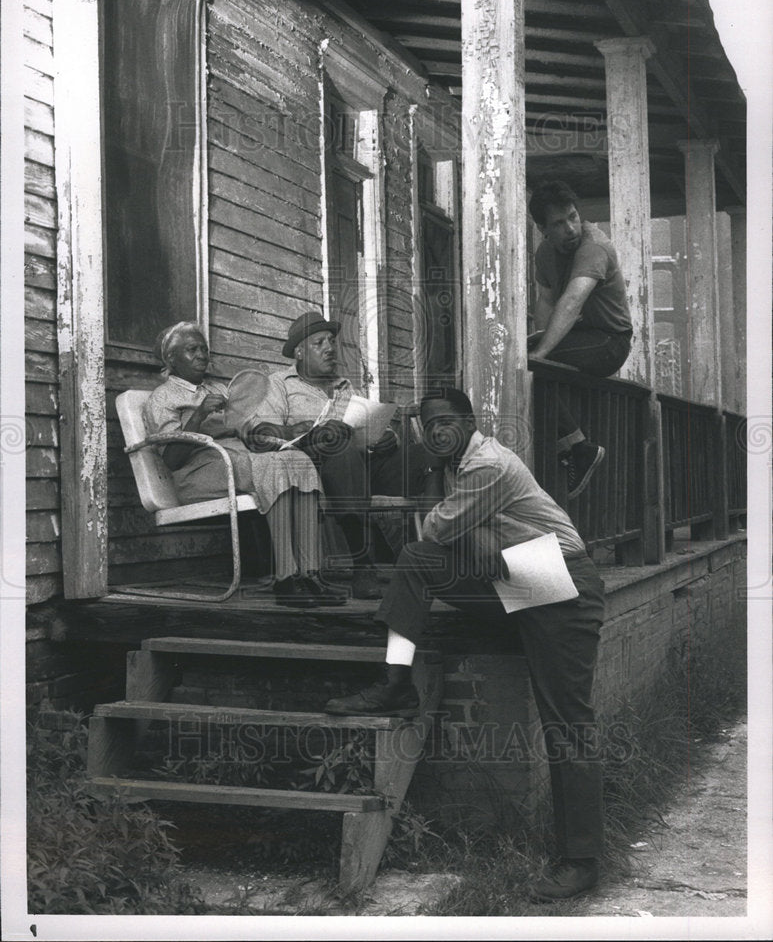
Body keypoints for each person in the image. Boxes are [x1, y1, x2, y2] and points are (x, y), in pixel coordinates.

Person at [324, 387, 607, 902]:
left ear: (469, 422)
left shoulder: (486, 466)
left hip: (562, 583)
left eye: (445, 423)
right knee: (417, 561)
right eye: (427, 425)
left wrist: (457, 526)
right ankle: (395, 683)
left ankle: (582, 860)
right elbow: (443, 540)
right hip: (521, 574)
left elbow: (437, 525)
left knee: (568, 720)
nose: (435, 433)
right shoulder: (456, 465)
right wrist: (462, 531)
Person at [143, 321, 346, 608]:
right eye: (192, 350)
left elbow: (248, 428)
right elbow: (172, 460)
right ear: (171, 359)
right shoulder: (162, 398)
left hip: (236, 462)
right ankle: (286, 578)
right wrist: (199, 415)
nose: (202, 355)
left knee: (298, 460)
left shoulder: (218, 389)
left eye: (204, 349)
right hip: (198, 474)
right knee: (273, 468)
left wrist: (281, 433)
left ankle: (310, 575)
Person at [239, 311, 430, 600]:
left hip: (362, 462)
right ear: (300, 352)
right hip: (313, 467)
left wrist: (387, 437)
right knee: (339, 449)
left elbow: (365, 424)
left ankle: (440, 554)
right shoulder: (280, 384)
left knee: (425, 455)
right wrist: (303, 430)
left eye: (331, 341)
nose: (330, 348)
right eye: (319, 343)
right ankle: (363, 567)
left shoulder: (344, 386)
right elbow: (263, 433)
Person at [527, 180, 633, 499]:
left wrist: (542, 354)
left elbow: (572, 301)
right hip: (578, 339)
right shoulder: (545, 254)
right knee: (524, 360)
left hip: (609, 342)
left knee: (533, 364)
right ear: (543, 229)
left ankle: (577, 447)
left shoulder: (594, 246)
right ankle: (565, 448)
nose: (570, 228)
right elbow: (546, 301)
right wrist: (539, 343)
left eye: (573, 217)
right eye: (559, 223)